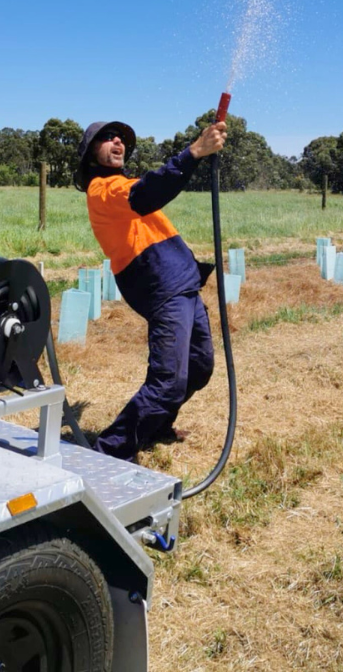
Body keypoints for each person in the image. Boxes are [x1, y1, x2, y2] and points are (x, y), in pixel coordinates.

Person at [73, 117, 227, 461]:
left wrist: (194, 158)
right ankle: (108, 453)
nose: (117, 142)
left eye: (120, 139)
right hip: (161, 286)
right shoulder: (104, 190)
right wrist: (195, 152)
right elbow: (148, 193)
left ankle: (155, 425)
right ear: (89, 155)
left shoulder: (124, 184)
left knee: (200, 367)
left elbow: (150, 188)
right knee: (168, 382)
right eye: (107, 139)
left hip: (183, 283)